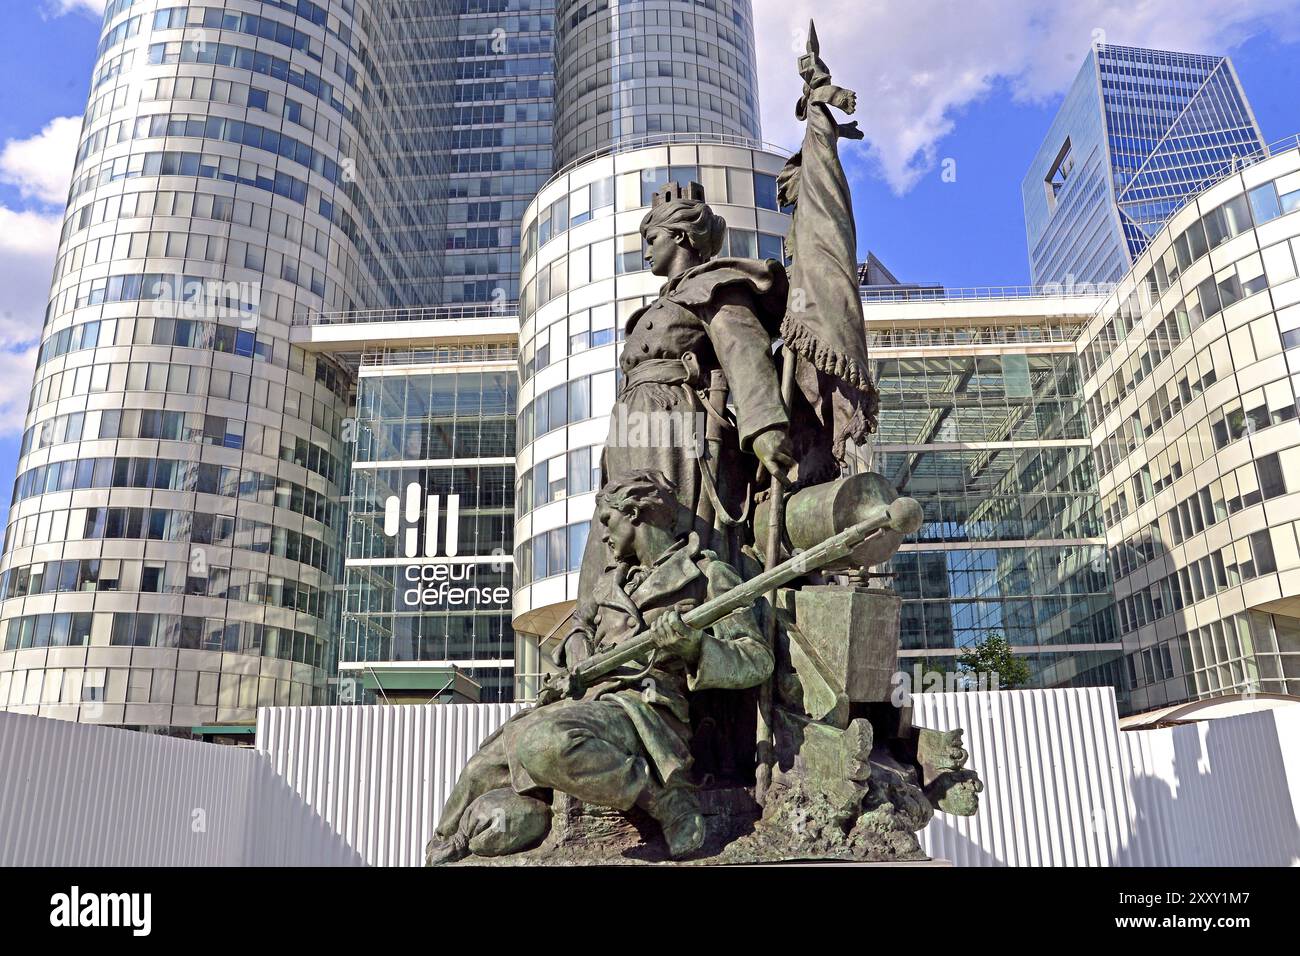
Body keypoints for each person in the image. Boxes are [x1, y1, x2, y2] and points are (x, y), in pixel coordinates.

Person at [427, 470, 772, 863]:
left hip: (644, 710)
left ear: (636, 512)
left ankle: (664, 798)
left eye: (607, 521)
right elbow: (578, 627)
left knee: (541, 744)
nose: (603, 535)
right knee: (479, 768)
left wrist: (696, 647)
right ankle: (440, 848)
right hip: (584, 700)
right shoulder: (609, 583)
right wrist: (577, 651)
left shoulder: (706, 574)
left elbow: (756, 659)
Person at [560, 180, 794, 670]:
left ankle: (674, 632)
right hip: (629, 431)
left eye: (652, 239)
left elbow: (743, 352)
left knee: (670, 523)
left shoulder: (713, 286)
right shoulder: (654, 309)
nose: (646, 250)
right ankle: (604, 630)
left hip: (675, 426)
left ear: (682, 239)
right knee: (613, 530)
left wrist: (764, 428)